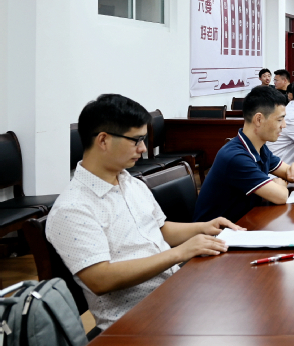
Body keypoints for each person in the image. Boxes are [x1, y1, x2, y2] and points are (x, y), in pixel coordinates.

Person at [46, 94, 242, 332]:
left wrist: (204, 228)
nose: (143, 148)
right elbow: (100, 279)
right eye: (136, 140)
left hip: (172, 295)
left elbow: (159, 229)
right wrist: (179, 253)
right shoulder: (73, 208)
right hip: (134, 321)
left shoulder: (130, 182)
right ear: (103, 140)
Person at [194, 86, 294, 223]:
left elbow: (289, 173)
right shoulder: (236, 157)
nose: (284, 125)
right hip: (217, 233)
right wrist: (280, 185)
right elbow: (281, 196)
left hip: (243, 222)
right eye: (279, 120)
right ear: (258, 119)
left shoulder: (259, 147)